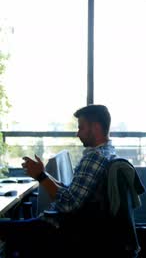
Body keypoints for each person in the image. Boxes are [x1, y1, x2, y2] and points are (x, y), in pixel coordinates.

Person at [0, 104, 118, 257]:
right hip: (62, 227)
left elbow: (69, 203)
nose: (77, 134)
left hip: (57, 230)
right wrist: (43, 175)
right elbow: (71, 192)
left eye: (81, 128)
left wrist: (41, 177)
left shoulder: (94, 157)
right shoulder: (107, 152)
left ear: (95, 128)